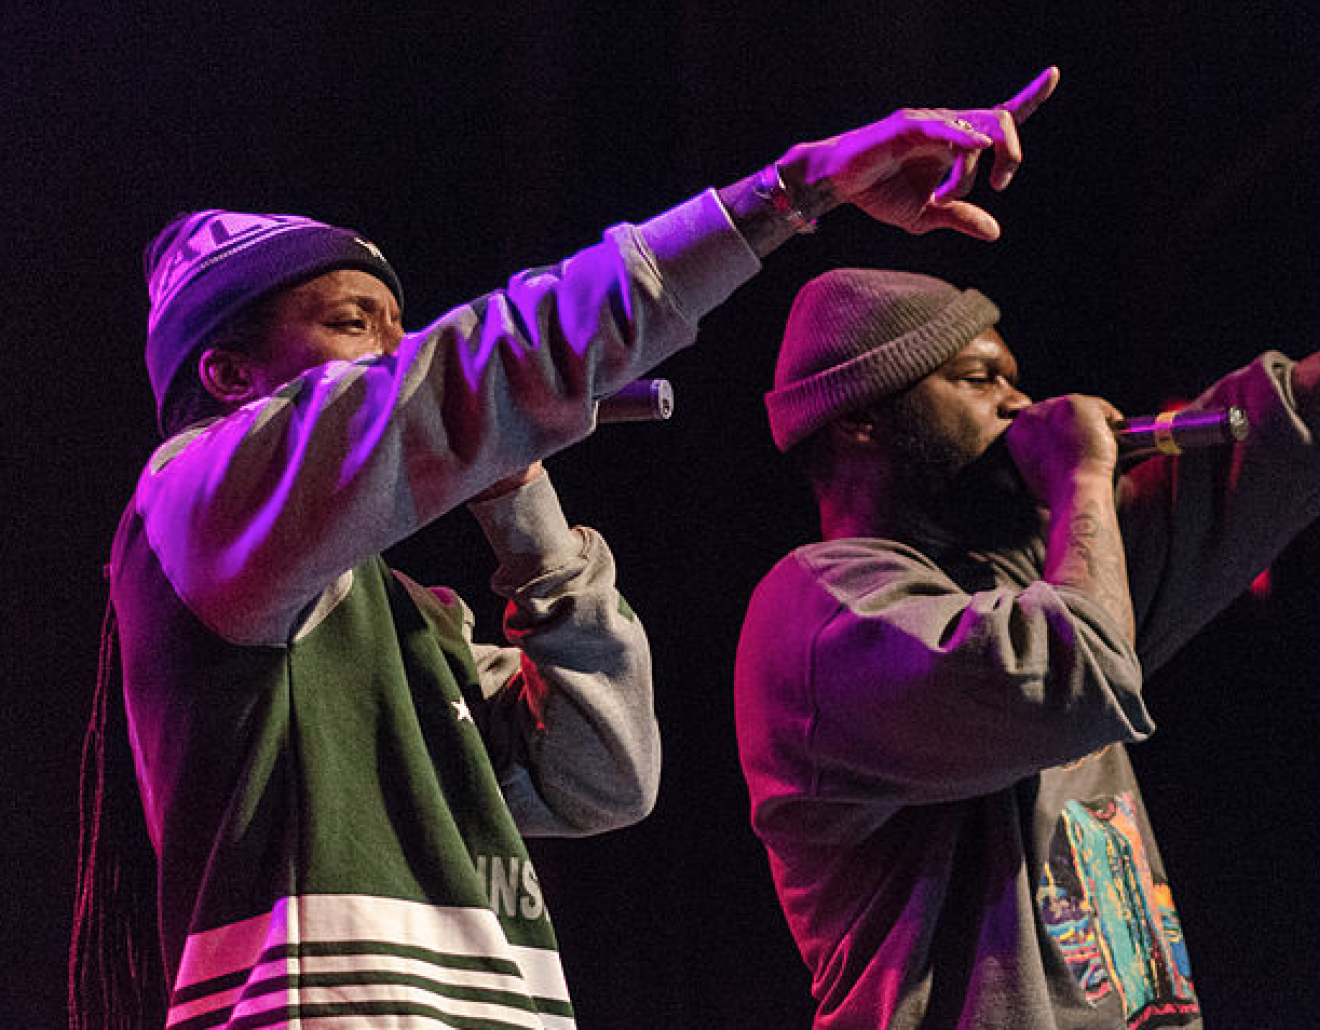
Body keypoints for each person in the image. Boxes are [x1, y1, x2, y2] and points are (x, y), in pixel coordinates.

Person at [70, 69, 1062, 1030]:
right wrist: (790, 191)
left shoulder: (410, 618)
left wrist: (521, 504)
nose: (393, 355)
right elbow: (488, 361)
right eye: (351, 324)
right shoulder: (191, 502)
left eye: (401, 330)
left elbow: (604, 777)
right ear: (229, 374)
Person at [734, 142, 1320, 1029]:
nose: (1020, 403)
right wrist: (1082, 476)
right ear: (863, 422)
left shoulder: (1030, 571)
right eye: (978, 380)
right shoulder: (820, 613)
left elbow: (1281, 435)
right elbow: (1074, 677)